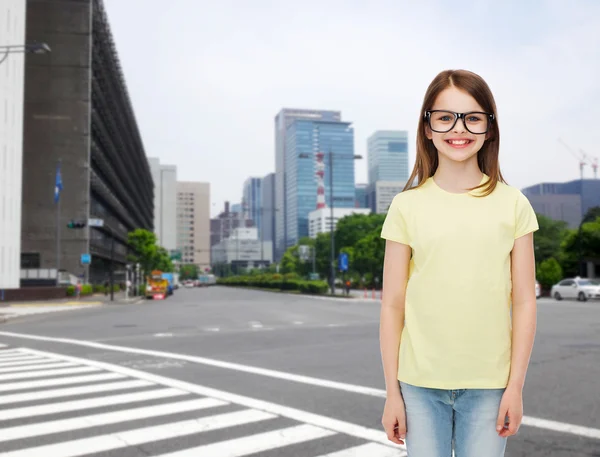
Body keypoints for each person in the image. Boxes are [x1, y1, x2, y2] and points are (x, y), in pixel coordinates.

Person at [379, 69, 538, 457]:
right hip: (418, 385)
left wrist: (515, 386)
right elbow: (392, 304)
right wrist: (391, 393)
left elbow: (524, 302)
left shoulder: (513, 204)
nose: (458, 128)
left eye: (473, 117)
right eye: (445, 116)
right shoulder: (406, 206)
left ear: (489, 128)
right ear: (428, 127)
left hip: (490, 385)